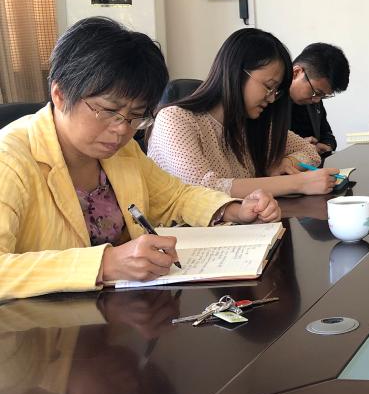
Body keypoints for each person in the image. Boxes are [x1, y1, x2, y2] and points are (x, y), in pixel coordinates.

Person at [0, 17, 281, 301]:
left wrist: (233, 210)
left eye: (135, 116)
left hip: (121, 311)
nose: (122, 130)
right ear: (60, 95)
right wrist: (104, 264)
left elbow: (174, 197)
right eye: (109, 111)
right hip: (42, 321)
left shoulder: (120, 152)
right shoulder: (9, 160)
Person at [148, 28, 340, 198]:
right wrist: (298, 183)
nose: (271, 99)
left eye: (276, 91)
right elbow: (203, 188)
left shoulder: (251, 123)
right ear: (236, 72)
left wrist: (287, 162)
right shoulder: (175, 119)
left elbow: (309, 151)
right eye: (269, 86)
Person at [289, 42, 350, 156]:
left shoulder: (313, 98)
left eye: (323, 96)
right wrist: (295, 146)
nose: (317, 100)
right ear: (296, 73)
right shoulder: (270, 101)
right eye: (317, 93)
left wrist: (326, 145)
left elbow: (327, 134)